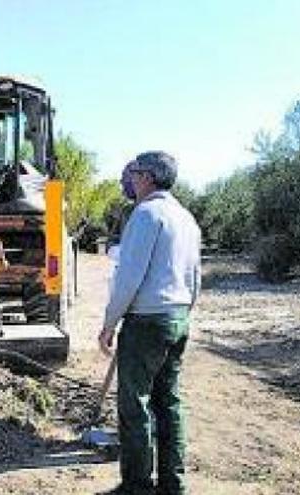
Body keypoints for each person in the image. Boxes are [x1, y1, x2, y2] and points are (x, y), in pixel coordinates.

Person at [98, 152, 201, 495]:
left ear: (148, 178)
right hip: (177, 319)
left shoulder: (145, 214)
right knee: (168, 403)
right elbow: (195, 277)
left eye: (135, 173)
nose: (130, 180)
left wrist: (109, 323)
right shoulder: (186, 218)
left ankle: (137, 487)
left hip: (146, 322)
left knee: (135, 405)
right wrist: (182, 314)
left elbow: (128, 278)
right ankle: (173, 485)